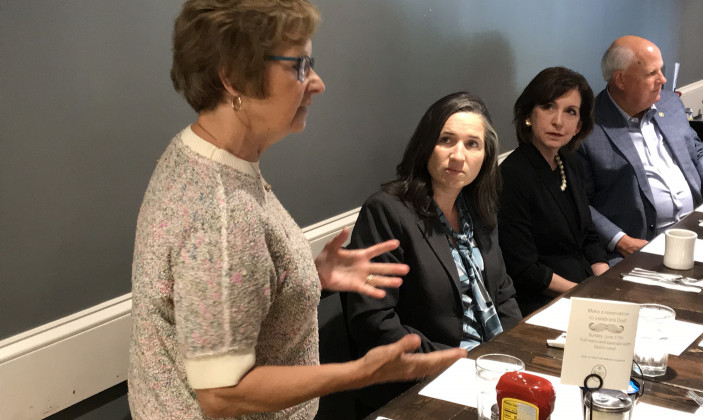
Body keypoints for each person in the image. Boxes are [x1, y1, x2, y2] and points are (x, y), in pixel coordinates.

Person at [127, 1, 465, 419]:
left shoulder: (200, 154)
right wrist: (361, 372)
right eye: (299, 65)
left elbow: (219, 288)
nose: (317, 82)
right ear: (232, 77)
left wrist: (307, 276)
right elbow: (223, 394)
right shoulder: (221, 209)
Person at [343, 92, 522, 414]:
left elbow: (503, 294)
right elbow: (374, 321)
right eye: (446, 140)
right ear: (426, 145)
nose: (458, 155)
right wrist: (462, 362)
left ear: (485, 155)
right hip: (421, 385)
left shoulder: (478, 209)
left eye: (472, 144)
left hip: (490, 373)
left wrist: (510, 353)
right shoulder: (387, 211)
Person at [577, 35, 703, 263]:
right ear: (620, 80)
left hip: (699, 230)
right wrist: (620, 240)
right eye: (652, 73)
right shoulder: (587, 127)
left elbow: (697, 150)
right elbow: (580, 203)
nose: (663, 79)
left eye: (661, 70)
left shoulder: (669, 104)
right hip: (640, 247)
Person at [497, 67, 609, 316]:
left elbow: (588, 235)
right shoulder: (513, 175)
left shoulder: (570, 163)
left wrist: (606, 282)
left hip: (585, 290)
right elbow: (524, 268)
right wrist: (586, 292)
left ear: (579, 125)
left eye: (570, 112)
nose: (558, 121)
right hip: (542, 304)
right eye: (548, 106)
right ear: (529, 114)